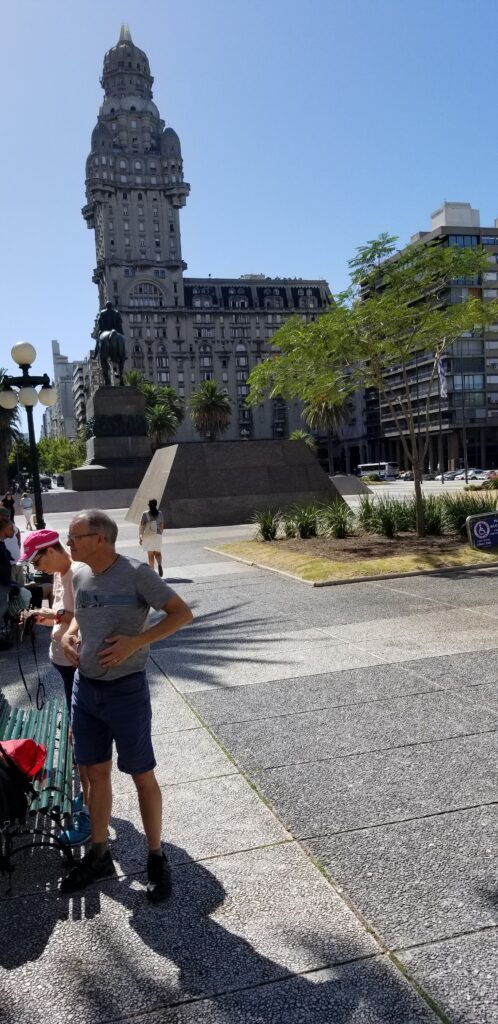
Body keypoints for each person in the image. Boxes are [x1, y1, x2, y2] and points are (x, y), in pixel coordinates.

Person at [59, 509, 193, 900]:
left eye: (75, 537)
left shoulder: (136, 573)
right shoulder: (80, 575)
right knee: (96, 774)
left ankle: (155, 856)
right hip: (86, 691)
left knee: (141, 774)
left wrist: (137, 641)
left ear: (100, 538)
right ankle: (99, 854)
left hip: (126, 691)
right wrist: (69, 636)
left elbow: (181, 613)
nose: (70, 544)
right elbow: (78, 618)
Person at [19, 529, 91, 845]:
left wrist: (60, 625)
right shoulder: (61, 574)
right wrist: (40, 616)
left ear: (51, 550)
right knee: (79, 735)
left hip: (77, 665)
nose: (37, 567)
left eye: (37, 559)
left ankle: (89, 810)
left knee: (85, 738)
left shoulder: (77, 572)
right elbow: (62, 615)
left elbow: (79, 618)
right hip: (62, 665)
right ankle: (88, 801)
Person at [139, 499, 165, 576]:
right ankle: (159, 564)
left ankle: (153, 571)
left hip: (148, 535)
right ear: (156, 504)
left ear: (148, 505)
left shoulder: (145, 514)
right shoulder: (160, 513)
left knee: (150, 554)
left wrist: (140, 537)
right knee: (158, 552)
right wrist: (160, 534)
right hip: (158, 535)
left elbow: (141, 526)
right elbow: (162, 525)